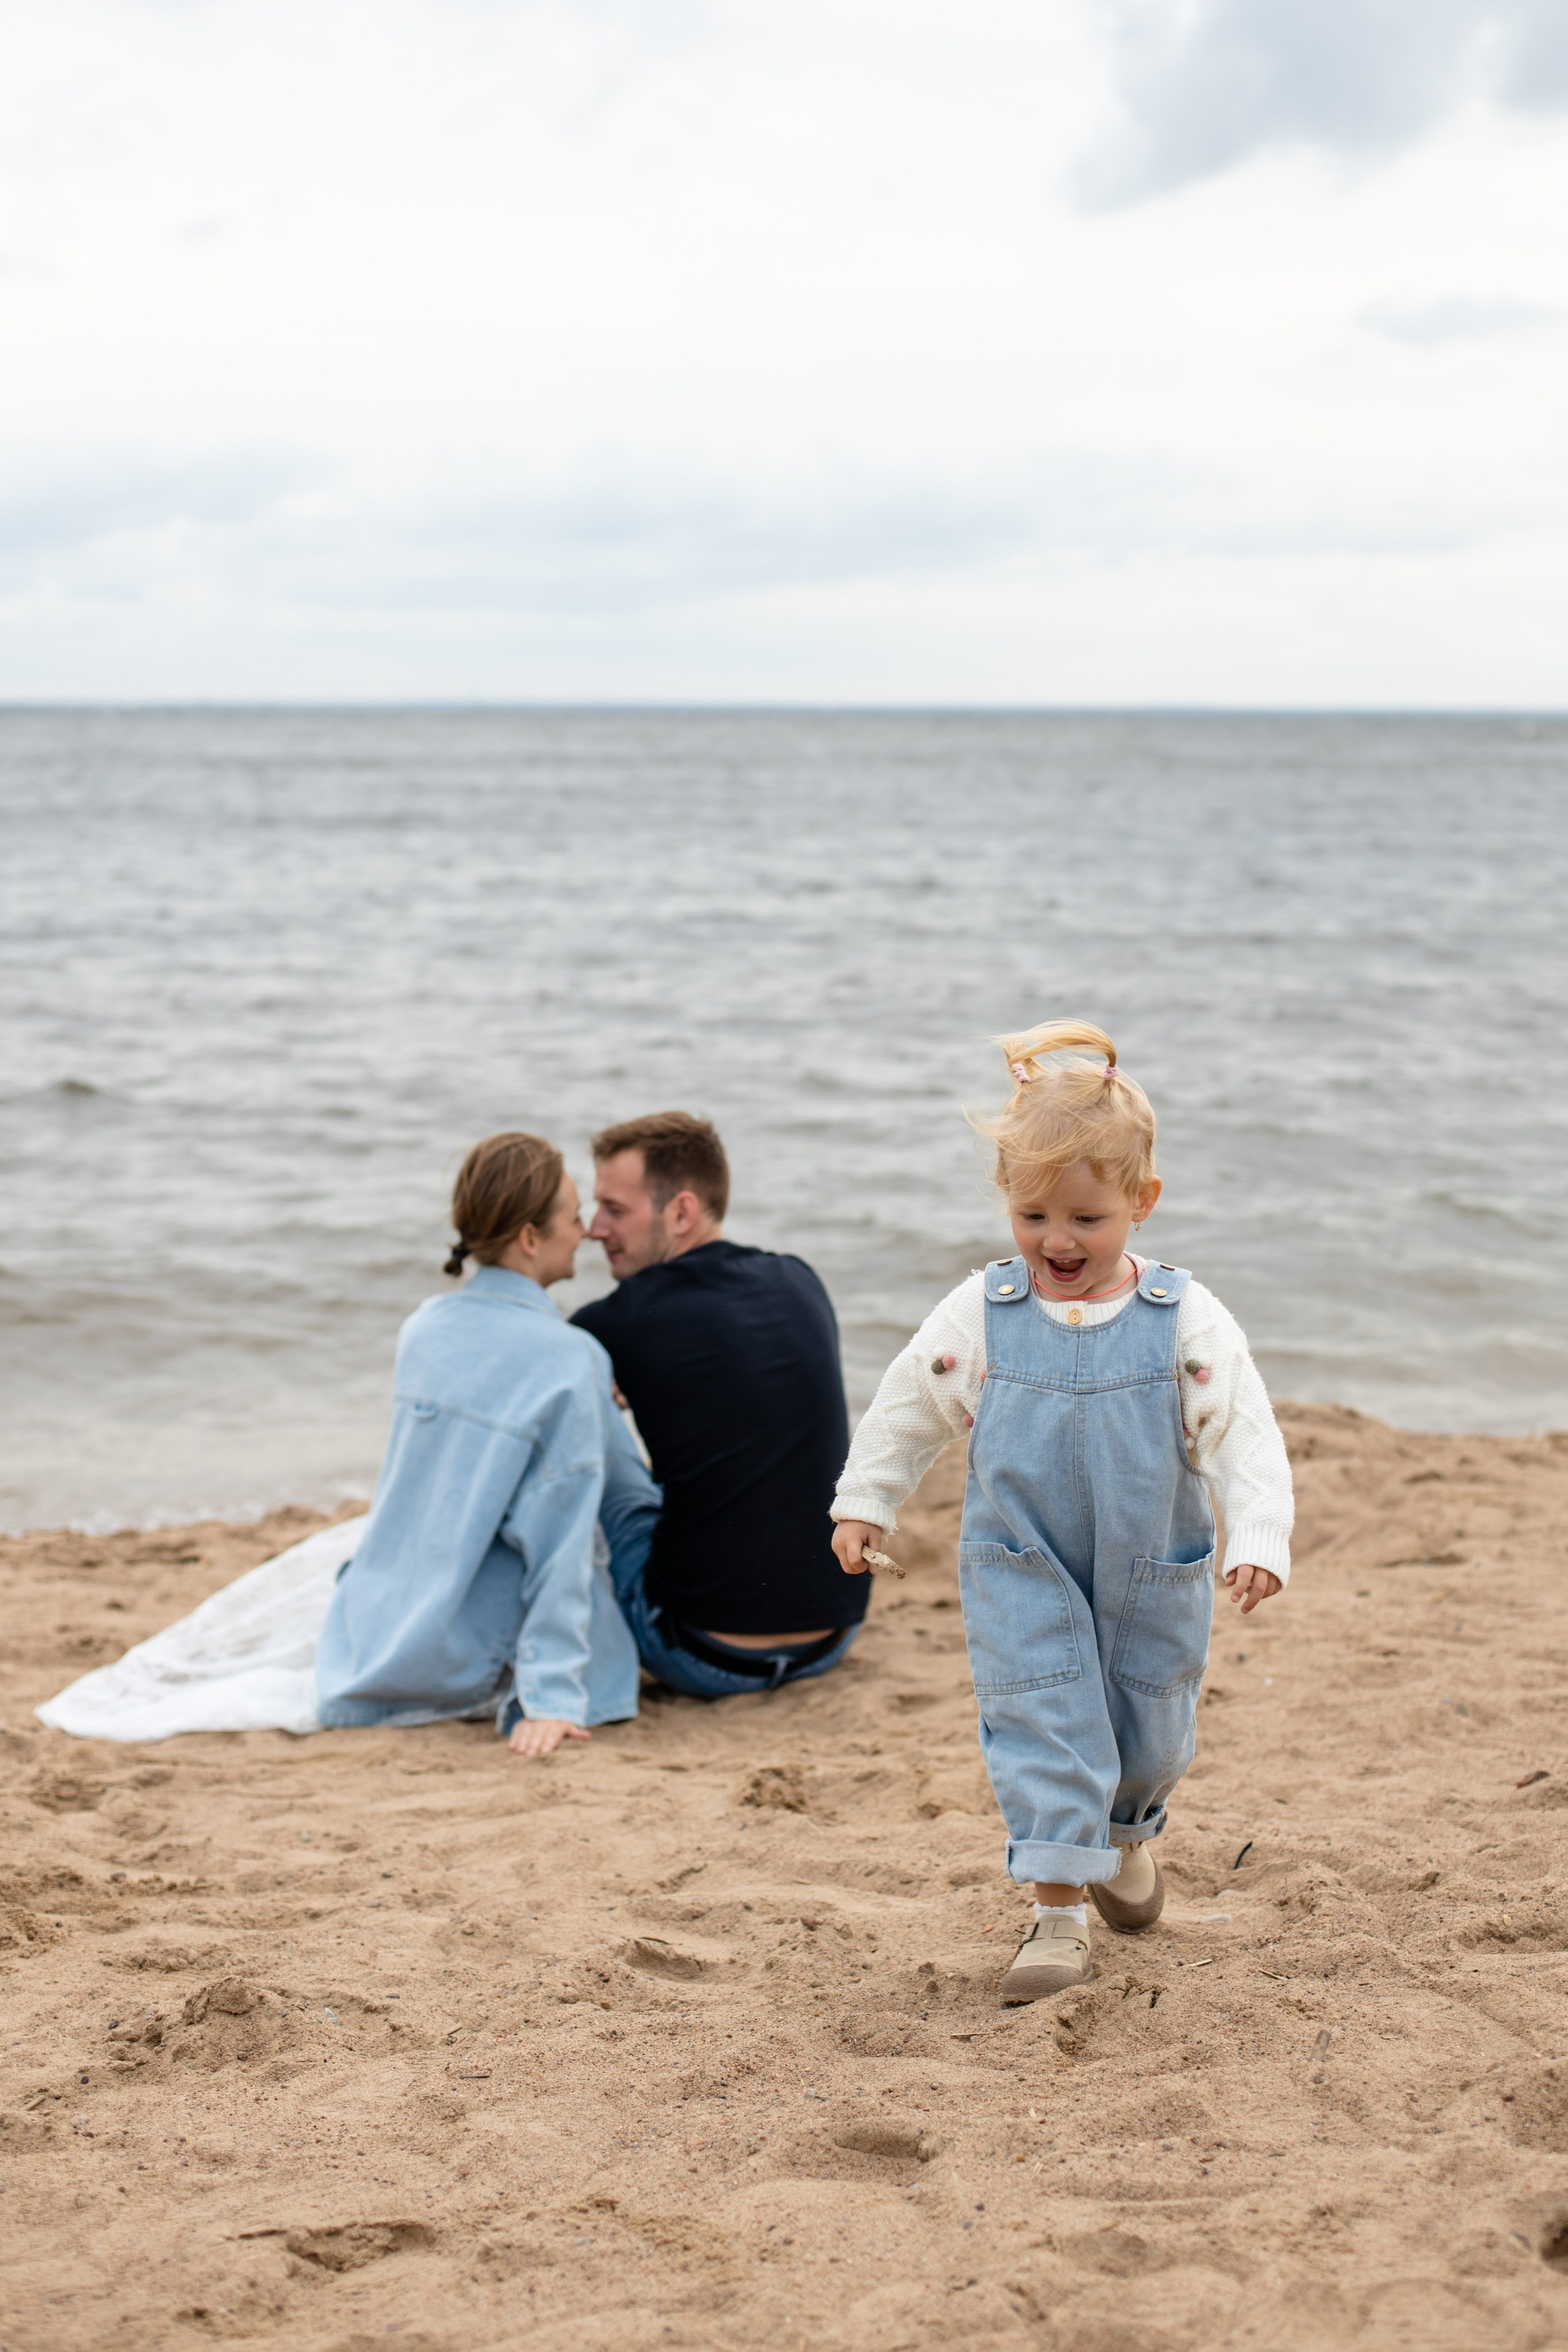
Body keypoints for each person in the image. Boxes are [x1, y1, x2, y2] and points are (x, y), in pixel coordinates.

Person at [830, 1022, 1294, 2002]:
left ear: (1141, 1202)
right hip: (1020, 1563)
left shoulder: (1185, 1317)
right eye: (1032, 1213)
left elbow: (1241, 1432)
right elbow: (910, 1404)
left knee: (1148, 1730)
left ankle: (1125, 1838)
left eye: (1086, 1217)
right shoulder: (984, 1311)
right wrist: (868, 1498)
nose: (1056, 1240)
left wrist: (1259, 1535)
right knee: (1045, 1720)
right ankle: (1055, 1916)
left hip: (1150, 1563)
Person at [316, 1131, 661, 1758]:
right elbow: (562, 1541)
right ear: (530, 1239)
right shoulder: (569, 1357)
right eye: (574, 1216)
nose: (585, 1231)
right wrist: (550, 1696)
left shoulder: (422, 1327)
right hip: (469, 1644)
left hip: (382, 1625)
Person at [570, 1111, 862, 1698]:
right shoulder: (800, 1281)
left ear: (681, 1212)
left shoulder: (614, 1321)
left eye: (615, 1210)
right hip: (832, 1636)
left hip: (700, 1651)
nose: (593, 1229)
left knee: (591, 1433)